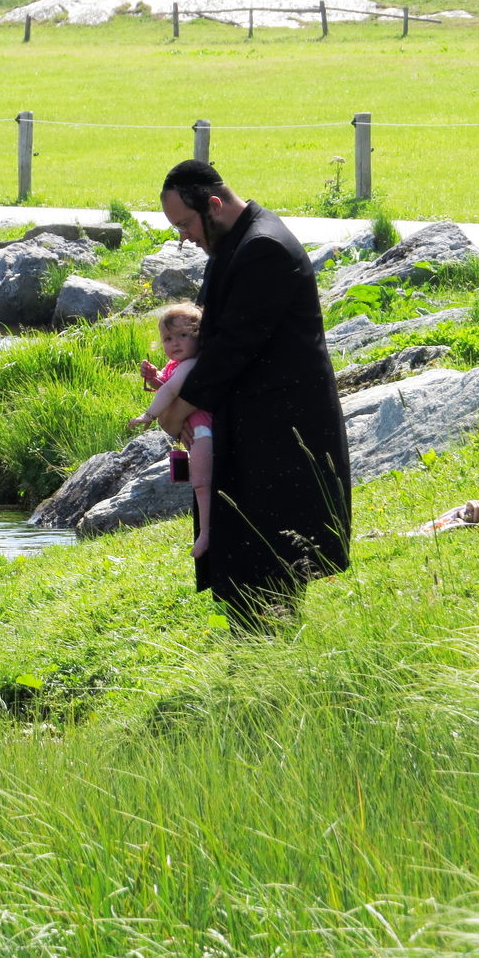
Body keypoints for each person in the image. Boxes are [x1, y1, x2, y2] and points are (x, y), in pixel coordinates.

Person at [155, 160, 351, 632]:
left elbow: (234, 347)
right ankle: (258, 657)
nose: (183, 237)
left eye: (185, 224)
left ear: (213, 205)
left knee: (267, 563)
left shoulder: (263, 247)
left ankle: (269, 660)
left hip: (280, 434)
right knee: (243, 563)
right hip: (254, 428)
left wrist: (179, 409)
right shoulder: (237, 242)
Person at [128, 303, 214, 559]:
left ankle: (206, 534)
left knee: (202, 483)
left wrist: (149, 415)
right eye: (168, 338)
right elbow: (166, 385)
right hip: (195, 429)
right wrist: (154, 378)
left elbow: (170, 390)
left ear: (199, 336)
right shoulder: (176, 364)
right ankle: (205, 531)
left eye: (183, 335)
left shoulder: (190, 364)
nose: (174, 343)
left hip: (203, 430)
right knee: (199, 482)